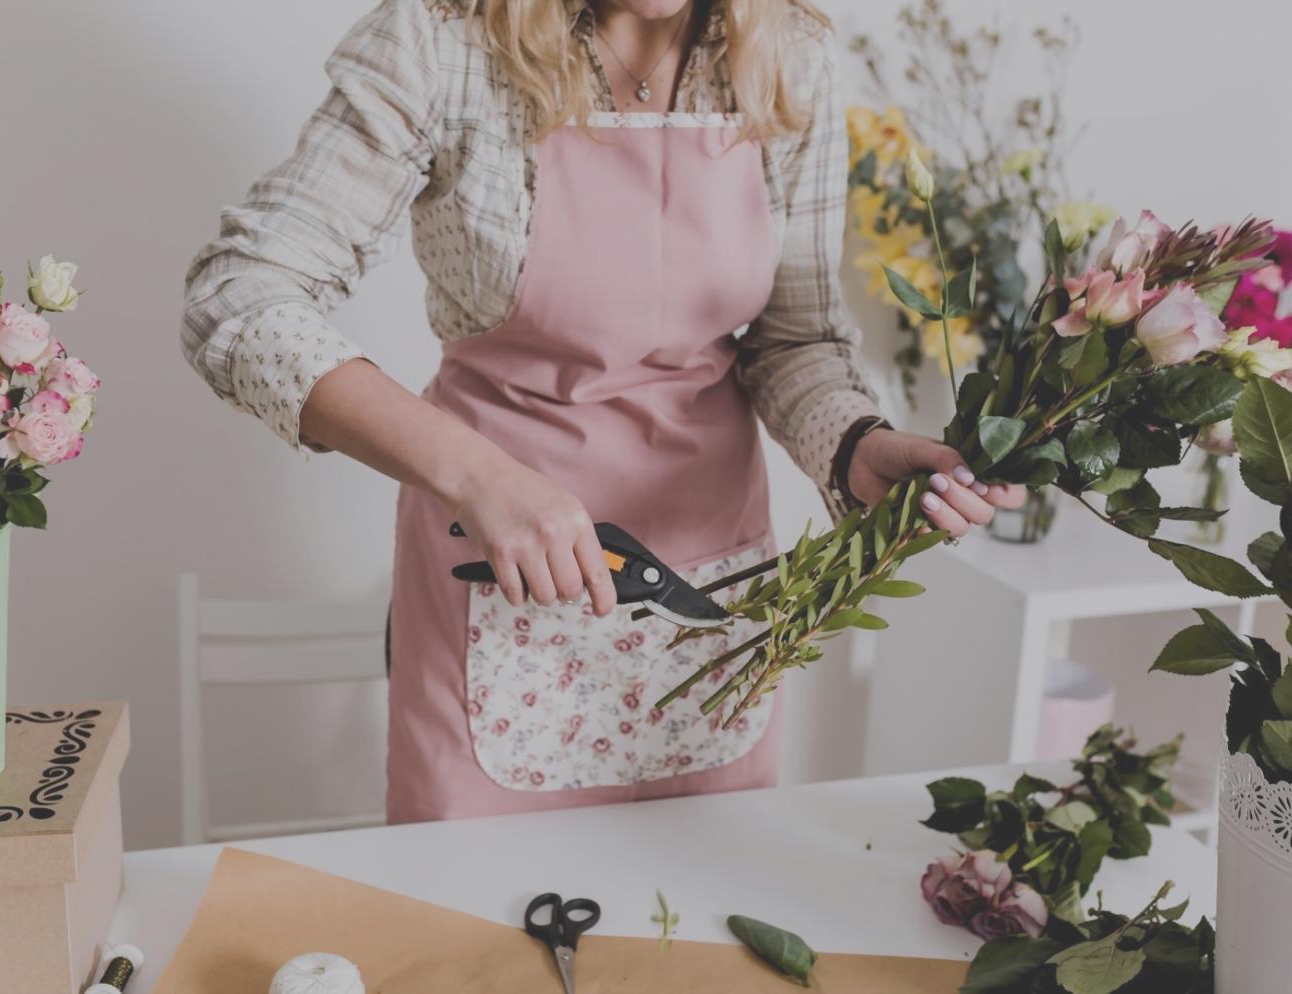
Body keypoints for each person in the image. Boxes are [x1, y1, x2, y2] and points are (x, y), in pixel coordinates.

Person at [182, 0, 1022, 824]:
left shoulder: (785, 54)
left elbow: (795, 339)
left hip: (710, 593)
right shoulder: (441, 43)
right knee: (477, 937)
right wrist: (477, 476)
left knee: (696, 928)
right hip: (496, 575)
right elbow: (237, 295)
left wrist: (854, 446)